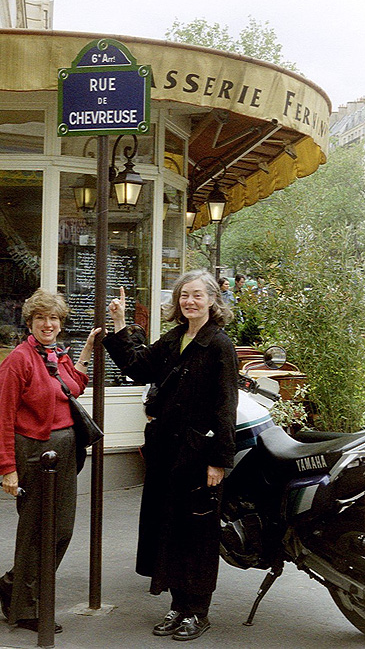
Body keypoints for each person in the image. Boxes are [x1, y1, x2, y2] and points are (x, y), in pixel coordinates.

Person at [103, 270, 238, 642]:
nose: (189, 301)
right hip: (166, 453)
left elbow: (227, 405)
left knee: (197, 532)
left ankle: (198, 612)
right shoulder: (176, 338)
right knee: (170, 530)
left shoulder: (219, 345)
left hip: (198, 454)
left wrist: (219, 460)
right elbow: (137, 368)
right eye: (183, 296)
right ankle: (178, 606)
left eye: (197, 295)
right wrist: (119, 323)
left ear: (212, 300)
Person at [0, 288, 100, 632]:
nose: (48, 323)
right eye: (41, 317)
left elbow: (72, 388)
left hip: (65, 454)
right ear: (30, 321)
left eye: (53, 317)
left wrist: (84, 354)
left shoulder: (56, 355)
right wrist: (7, 469)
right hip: (34, 454)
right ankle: (26, 607)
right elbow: (3, 418)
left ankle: (13, 584)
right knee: (36, 530)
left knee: (61, 530)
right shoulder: (19, 360)